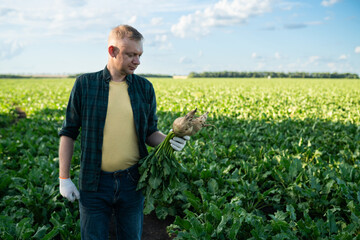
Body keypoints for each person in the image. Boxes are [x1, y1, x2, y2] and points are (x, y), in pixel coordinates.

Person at [58, 24, 190, 240]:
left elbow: (149, 132)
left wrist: (168, 141)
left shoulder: (144, 87)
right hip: (94, 182)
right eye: (131, 55)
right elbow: (68, 133)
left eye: (139, 55)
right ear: (112, 51)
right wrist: (64, 177)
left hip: (132, 180)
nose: (137, 61)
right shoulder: (85, 85)